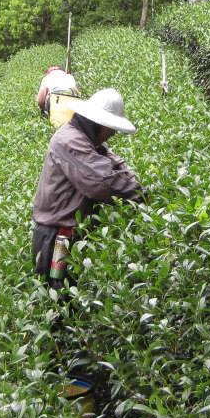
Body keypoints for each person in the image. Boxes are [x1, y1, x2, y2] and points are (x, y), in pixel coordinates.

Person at [31, 88, 141, 290]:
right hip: (57, 237)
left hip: (72, 233)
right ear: (98, 123)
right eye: (111, 127)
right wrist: (142, 195)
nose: (113, 133)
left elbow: (118, 167)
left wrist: (133, 185)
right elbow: (103, 182)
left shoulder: (89, 140)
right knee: (59, 298)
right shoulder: (71, 141)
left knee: (74, 292)